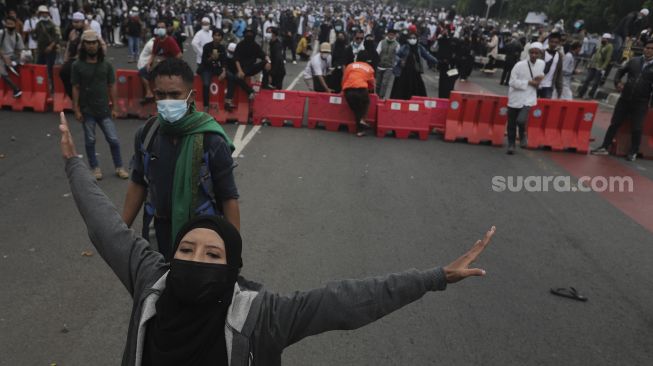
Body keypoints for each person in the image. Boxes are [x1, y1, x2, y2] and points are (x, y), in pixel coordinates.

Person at [59, 111, 496, 365]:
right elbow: (105, 225)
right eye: (186, 250)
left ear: (231, 270)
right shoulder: (150, 279)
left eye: (213, 254)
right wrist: (74, 163)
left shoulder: (261, 316)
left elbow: (349, 301)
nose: (195, 258)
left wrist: (436, 276)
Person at [122, 58, 240, 259]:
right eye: (160, 94)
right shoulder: (147, 134)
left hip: (200, 238)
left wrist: (233, 253)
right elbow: (138, 184)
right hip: (155, 235)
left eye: (175, 94)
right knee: (155, 289)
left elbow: (228, 198)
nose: (167, 101)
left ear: (191, 96)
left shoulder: (211, 140)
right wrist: (120, 232)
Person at [71, 30, 128, 180]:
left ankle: (119, 167)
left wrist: (115, 107)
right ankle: (95, 168)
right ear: (83, 45)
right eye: (88, 43)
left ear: (98, 44)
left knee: (113, 139)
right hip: (87, 110)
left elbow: (112, 86)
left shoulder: (106, 65)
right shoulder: (77, 65)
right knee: (90, 140)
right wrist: (76, 109)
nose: (91, 46)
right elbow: (75, 87)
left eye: (93, 42)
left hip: (104, 109)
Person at [591, 39, 653, 162]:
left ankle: (633, 152)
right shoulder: (634, 61)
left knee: (637, 127)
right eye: (647, 47)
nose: (649, 50)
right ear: (644, 48)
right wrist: (617, 82)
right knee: (614, 123)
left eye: (652, 48)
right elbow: (620, 71)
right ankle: (604, 147)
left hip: (641, 102)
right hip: (624, 99)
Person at [506, 42, 546, 155]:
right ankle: (511, 144)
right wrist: (528, 82)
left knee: (521, 120)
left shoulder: (541, 64)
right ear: (528, 53)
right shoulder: (519, 65)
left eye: (536, 53)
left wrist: (540, 79)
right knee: (511, 123)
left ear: (540, 54)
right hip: (515, 97)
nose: (533, 55)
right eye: (532, 52)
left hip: (529, 97)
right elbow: (512, 82)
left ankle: (523, 133)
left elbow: (540, 75)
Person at [390, 31, 437, 100]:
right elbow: (396, 55)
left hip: (415, 71)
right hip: (404, 72)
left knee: (417, 88)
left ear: (417, 39)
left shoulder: (419, 47)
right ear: (408, 39)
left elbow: (427, 56)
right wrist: (400, 61)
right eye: (411, 38)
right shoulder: (404, 47)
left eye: (414, 38)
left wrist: (437, 61)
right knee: (401, 89)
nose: (412, 39)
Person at [342, 50, 375, 137]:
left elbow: (344, 78)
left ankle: (360, 129)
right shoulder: (369, 68)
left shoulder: (350, 66)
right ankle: (362, 123)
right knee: (365, 104)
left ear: (357, 58)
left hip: (348, 90)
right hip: (361, 90)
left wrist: (342, 90)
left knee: (357, 110)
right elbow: (372, 83)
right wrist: (371, 90)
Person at [576, 33, 614, 99]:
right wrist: (590, 63)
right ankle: (581, 93)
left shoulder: (609, 46)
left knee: (595, 83)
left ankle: (590, 95)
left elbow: (608, 58)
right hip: (593, 65)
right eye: (603, 38)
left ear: (607, 39)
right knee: (587, 80)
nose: (603, 39)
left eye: (604, 38)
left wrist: (603, 68)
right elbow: (595, 54)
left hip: (600, 67)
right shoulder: (600, 45)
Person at [199, 28, 226, 112]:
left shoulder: (222, 48)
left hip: (217, 68)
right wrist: (211, 58)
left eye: (219, 35)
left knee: (231, 77)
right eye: (215, 35)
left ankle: (228, 100)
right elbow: (203, 61)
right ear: (212, 36)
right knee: (206, 84)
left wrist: (223, 72)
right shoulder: (207, 46)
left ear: (221, 38)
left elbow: (224, 61)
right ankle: (206, 106)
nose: (217, 37)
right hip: (206, 68)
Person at [34, 5, 60, 91]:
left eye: (45, 13)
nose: (44, 14)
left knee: (50, 69)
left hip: (51, 50)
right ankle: (41, 86)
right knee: (39, 68)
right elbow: (36, 36)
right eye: (42, 13)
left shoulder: (52, 24)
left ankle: (53, 87)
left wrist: (50, 46)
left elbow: (57, 37)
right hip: (41, 50)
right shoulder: (38, 24)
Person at [0, 15, 24, 98]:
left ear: (15, 24)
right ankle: (16, 89)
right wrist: (5, 58)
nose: (9, 26)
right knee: (2, 72)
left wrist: (16, 58)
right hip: (2, 56)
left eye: (11, 24)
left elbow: (20, 50)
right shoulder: (1, 33)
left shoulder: (18, 36)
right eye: (8, 24)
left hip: (13, 57)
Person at [538, 32, 564, 99]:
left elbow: (559, 74)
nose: (553, 44)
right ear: (548, 41)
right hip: (536, 84)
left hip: (548, 86)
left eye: (556, 42)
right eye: (552, 41)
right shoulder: (541, 53)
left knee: (545, 107)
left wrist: (559, 90)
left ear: (559, 43)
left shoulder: (559, 56)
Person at [375, 29, 399, 99]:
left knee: (384, 83)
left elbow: (398, 55)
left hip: (389, 67)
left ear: (394, 35)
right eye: (390, 34)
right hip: (380, 65)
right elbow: (377, 52)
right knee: (378, 84)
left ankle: (381, 97)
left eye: (392, 35)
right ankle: (376, 96)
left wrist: (394, 64)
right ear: (387, 34)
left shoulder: (397, 44)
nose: (391, 36)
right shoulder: (381, 42)